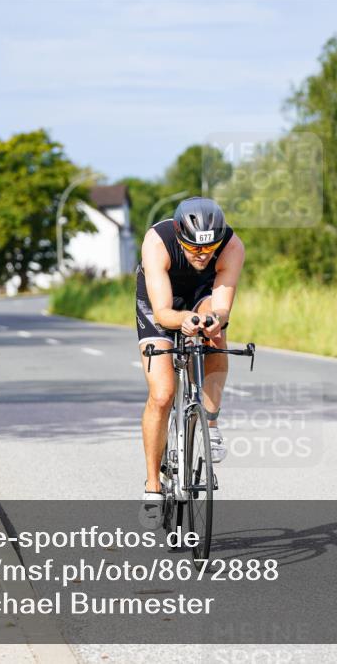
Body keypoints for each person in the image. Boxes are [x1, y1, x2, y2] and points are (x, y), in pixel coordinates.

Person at [135, 197, 245, 529]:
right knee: (163, 393)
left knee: (215, 335)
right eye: (193, 248)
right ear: (180, 236)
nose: (201, 255)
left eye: (208, 249)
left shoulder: (232, 246)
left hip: (202, 293)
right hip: (162, 301)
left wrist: (213, 320)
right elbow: (164, 312)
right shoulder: (158, 241)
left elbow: (222, 307)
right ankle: (153, 485)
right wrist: (183, 320)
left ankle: (209, 425)